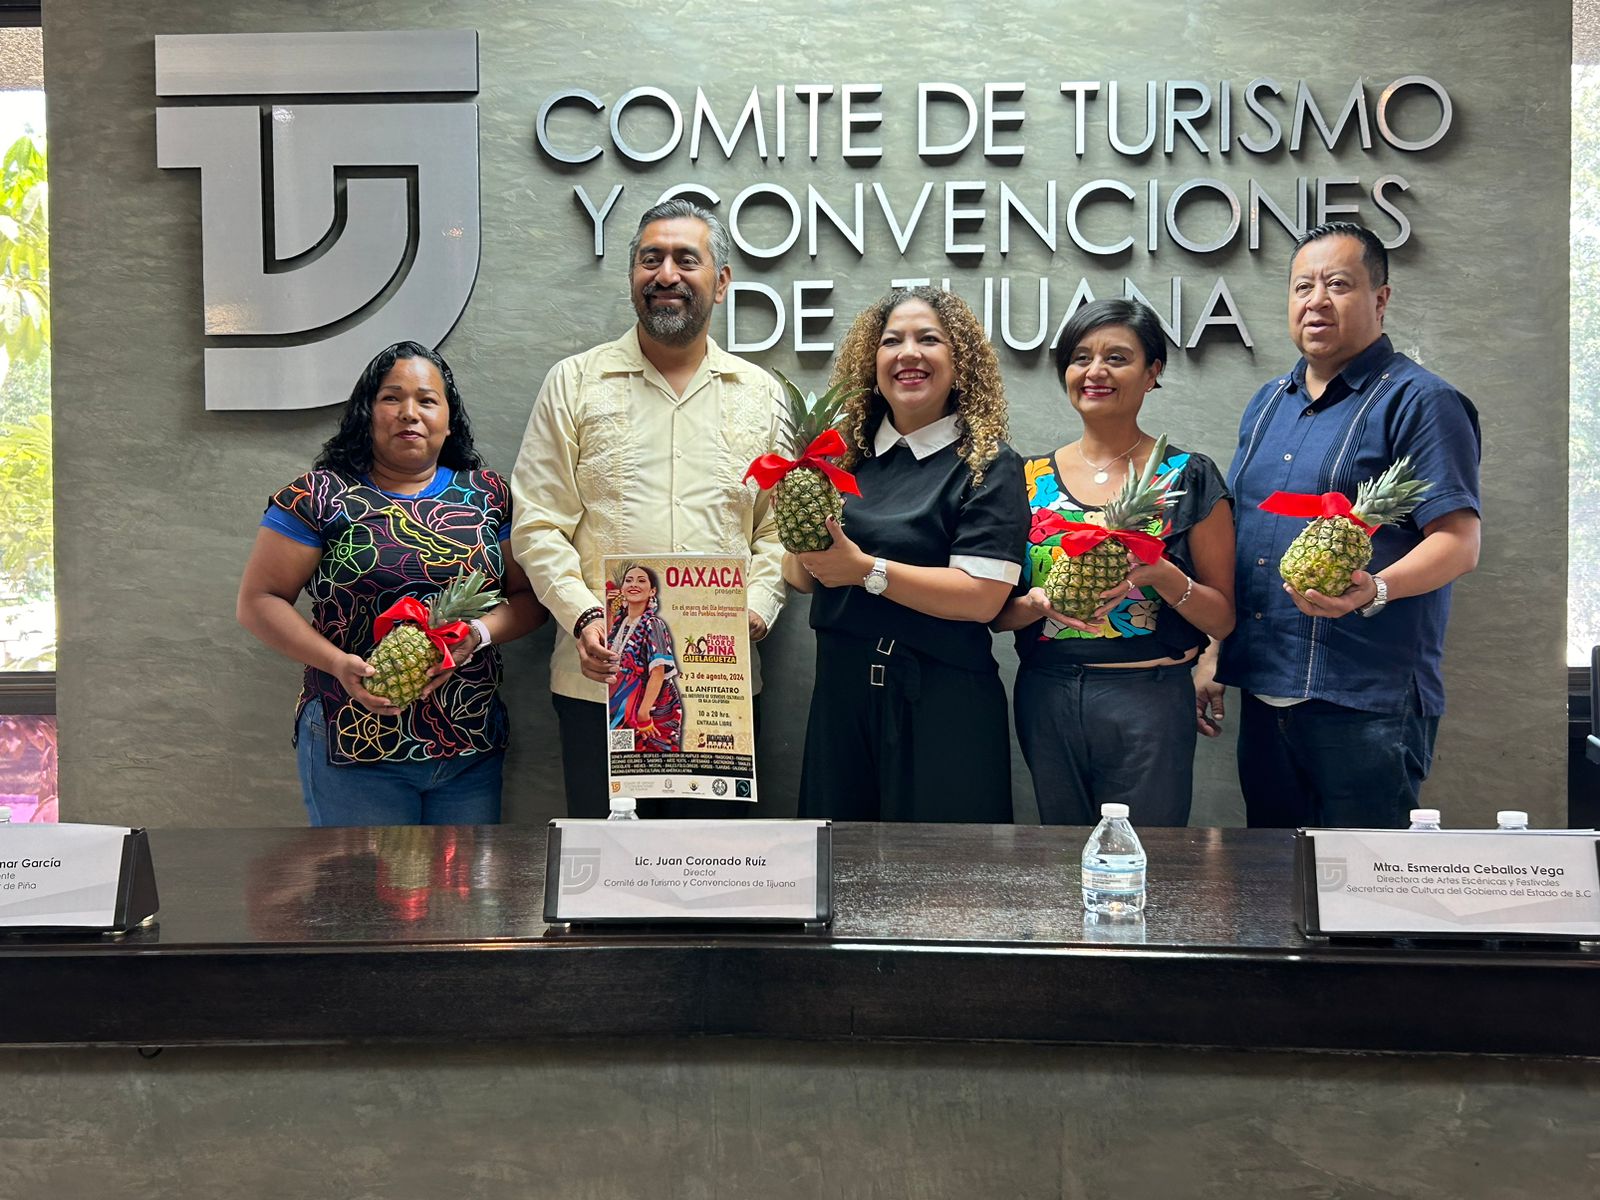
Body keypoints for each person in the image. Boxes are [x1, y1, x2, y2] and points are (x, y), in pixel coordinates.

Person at [1197, 221, 1482, 828]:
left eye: (1338, 284)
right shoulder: (1269, 402)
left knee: (1366, 899)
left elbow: (1458, 543)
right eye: (1302, 287)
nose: (1316, 301)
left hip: (1365, 700)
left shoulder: (1421, 401)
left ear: (1380, 298)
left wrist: (1376, 589)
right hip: (1266, 687)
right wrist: (1215, 651)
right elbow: (1247, 543)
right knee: (1274, 892)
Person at [510, 199, 784, 818]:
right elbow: (536, 521)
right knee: (611, 883)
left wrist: (760, 610)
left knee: (716, 880)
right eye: (648, 259)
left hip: (721, 692)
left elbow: (778, 531)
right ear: (632, 275)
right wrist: (584, 617)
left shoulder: (763, 397)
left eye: (687, 259)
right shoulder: (575, 383)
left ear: (721, 282)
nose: (666, 275)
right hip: (599, 684)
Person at [238, 341, 545, 826]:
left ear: (449, 417)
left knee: (461, 900)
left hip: (469, 742)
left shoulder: (488, 494)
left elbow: (528, 599)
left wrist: (477, 636)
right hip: (353, 740)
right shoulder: (320, 494)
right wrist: (337, 663)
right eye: (391, 398)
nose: (409, 413)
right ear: (367, 411)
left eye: (426, 400)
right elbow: (258, 601)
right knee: (361, 899)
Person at [783, 286, 1030, 822]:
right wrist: (796, 508)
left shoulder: (989, 464)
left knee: (944, 886)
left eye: (929, 340)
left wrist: (863, 571)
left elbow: (982, 599)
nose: (908, 353)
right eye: (892, 340)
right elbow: (802, 579)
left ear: (959, 360)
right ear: (872, 361)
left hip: (940, 699)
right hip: (841, 696)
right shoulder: (841, 457)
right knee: (841, 877)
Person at [992, 298, 1235, 827]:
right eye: (1081, 357)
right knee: (1061, 861)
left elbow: (1222, 618)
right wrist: (1034, 604)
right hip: (1045, 693)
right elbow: (996, 612)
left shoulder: (1187, 476)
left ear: (1153, 373)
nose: (1095, 372)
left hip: (1149, 698)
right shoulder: (1027, 478)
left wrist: (1165, 576)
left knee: (1149, 864)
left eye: (1117, 358)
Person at [606, 563, 684, 752]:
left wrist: (643, 714)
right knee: (623, 763)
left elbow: (658, 671)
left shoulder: (654, 624)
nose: (634, 584)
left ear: (652, 591)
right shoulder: (620, 623)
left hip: (650, 707)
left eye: (641, 581)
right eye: (629, 580)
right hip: (620, 704)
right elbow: (608, 648)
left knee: (653, 763)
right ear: (622, 588)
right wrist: (608, 608)